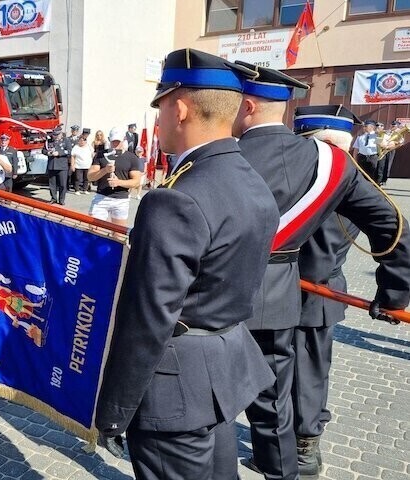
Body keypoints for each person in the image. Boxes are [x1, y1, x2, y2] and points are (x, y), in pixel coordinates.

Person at [96, 49, 279, 480]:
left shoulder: (174, 198)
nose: (157, 121)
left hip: (174, 385)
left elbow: (148, 318)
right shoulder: (249, 177)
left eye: (159, 108)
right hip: (222, 365)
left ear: (179, 109)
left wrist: (114, 409)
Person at [234, 61, 410, 480]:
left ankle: (296, 450)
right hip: (306, 292)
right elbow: (395, 230)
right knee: (297, 381)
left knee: (265, 386)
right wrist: (394, 293)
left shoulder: (224, 154)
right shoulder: (334, 172)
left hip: (251, 294)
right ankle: (296, 454)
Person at [291, 112, 361, 480]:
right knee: (305, 373)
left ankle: (304, 450)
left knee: (307, 375)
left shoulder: (321, 183)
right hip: (318, 293)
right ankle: (294, 446)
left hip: (311, 292)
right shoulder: (353, 180)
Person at [86, 126, 142, 226]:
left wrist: (119, 182)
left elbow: (136, 181)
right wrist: (105, 170)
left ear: (124, 139)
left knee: (118, 233)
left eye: (118, 141)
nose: (115, 144)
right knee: (93, 230)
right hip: (101, 197)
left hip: (121, 200)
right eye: (113, 141)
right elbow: (90, 176)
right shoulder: (101, 155)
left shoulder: (132, 158)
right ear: (109, 139)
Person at [42, 126, 71, 205]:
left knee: (62, 184)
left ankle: (61, 200)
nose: (55, 136)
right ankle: (53, 198)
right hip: (52, 165)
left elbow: (69, 151)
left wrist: (59, 153)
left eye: (57, 135)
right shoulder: (49, 141)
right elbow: (44, 150)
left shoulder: (66, 141)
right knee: (52, 184)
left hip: (62, 166)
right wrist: (47, 153)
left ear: (61, 134)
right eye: (54, 135)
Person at [379, 120, 404, 185]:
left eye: (394, 125)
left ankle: (384, 180)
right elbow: (380, 138)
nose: (392, 126)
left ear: (397, 126)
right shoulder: (386, 132)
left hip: (391, 149)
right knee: (381, 164)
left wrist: (394, 145)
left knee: (388, 164)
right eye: (391, 125)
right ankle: (379, 179)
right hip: (382, 148)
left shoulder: (400, 133)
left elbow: (401, 142)